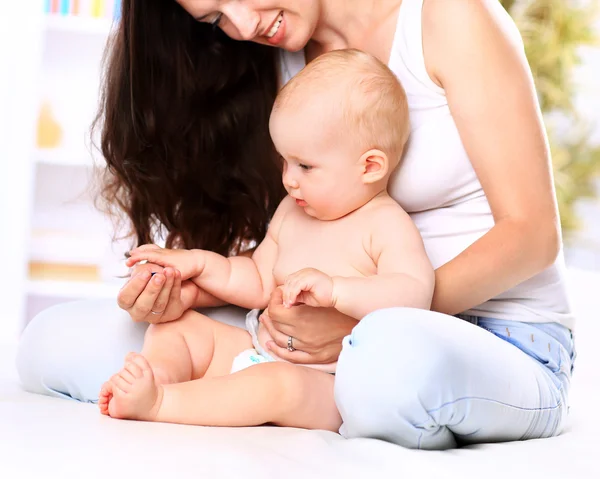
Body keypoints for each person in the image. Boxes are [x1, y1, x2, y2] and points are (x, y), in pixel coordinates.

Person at [17, 0, 576, 450]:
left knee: (386, 361)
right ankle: (243, 397)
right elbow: (270, 263)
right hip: (307, 338)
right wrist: (186, 291)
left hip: (494, 331)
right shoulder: (275, 56)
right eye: (214, 18)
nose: (240, 26)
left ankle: (287, 394)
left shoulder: (445, 18)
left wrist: (355, 319)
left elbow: (533, 236)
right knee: (53, 344)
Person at [98, 49, 434, 429]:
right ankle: (157, 378)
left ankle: (161, 404)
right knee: (175, 327)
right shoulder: (294, 209)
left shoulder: (386, 224)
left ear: (370, 167)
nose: (289, 179)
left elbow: (413, 293)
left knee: (278, 385)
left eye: (305, 166)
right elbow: (258, 279)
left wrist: (338, 290)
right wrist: (198, 262)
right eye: (285, 162)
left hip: (328, 383)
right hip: (261, 348)